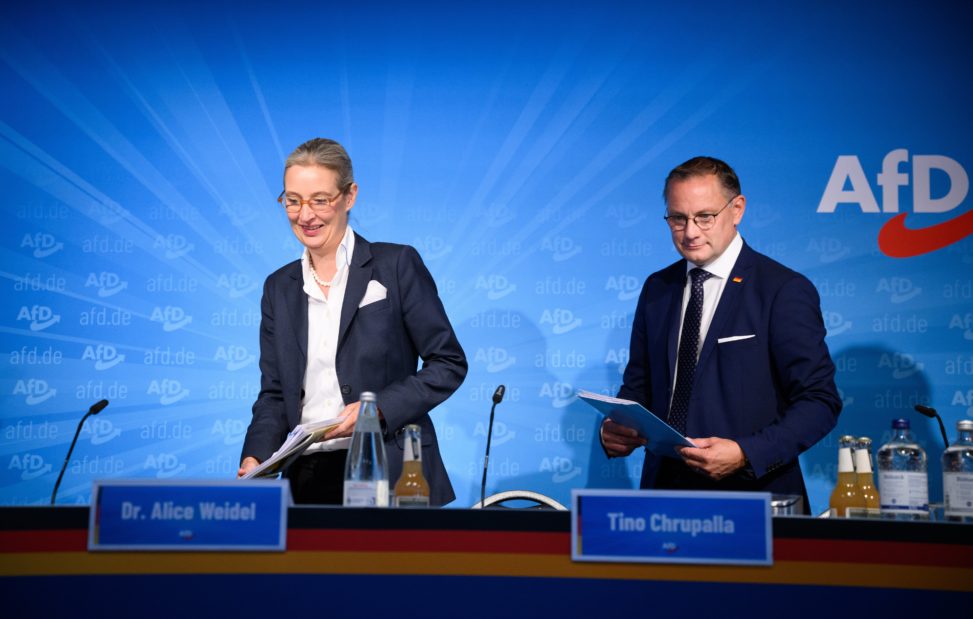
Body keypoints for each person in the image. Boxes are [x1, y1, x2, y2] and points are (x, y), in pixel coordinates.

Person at [601, 156, 841, 512]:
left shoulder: (782, 290)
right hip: (664, 499)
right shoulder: (658, 288)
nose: (691, 232)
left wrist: (746, 453)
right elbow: (639, 387)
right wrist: (617, 427)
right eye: (678, 218)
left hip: (754, 500)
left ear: (737, 209)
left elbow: (820, 401)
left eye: (705, 217)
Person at [237, 138, 467, 506]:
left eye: (319, 200)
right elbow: (275, 394)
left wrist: (377, 409)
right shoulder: (278, 288)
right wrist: (256, 456)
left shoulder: (395, 265)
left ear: (349, 196)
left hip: (389, 467)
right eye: (293, 200)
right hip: (307, 477)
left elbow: (448, 363)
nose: (305, 215)